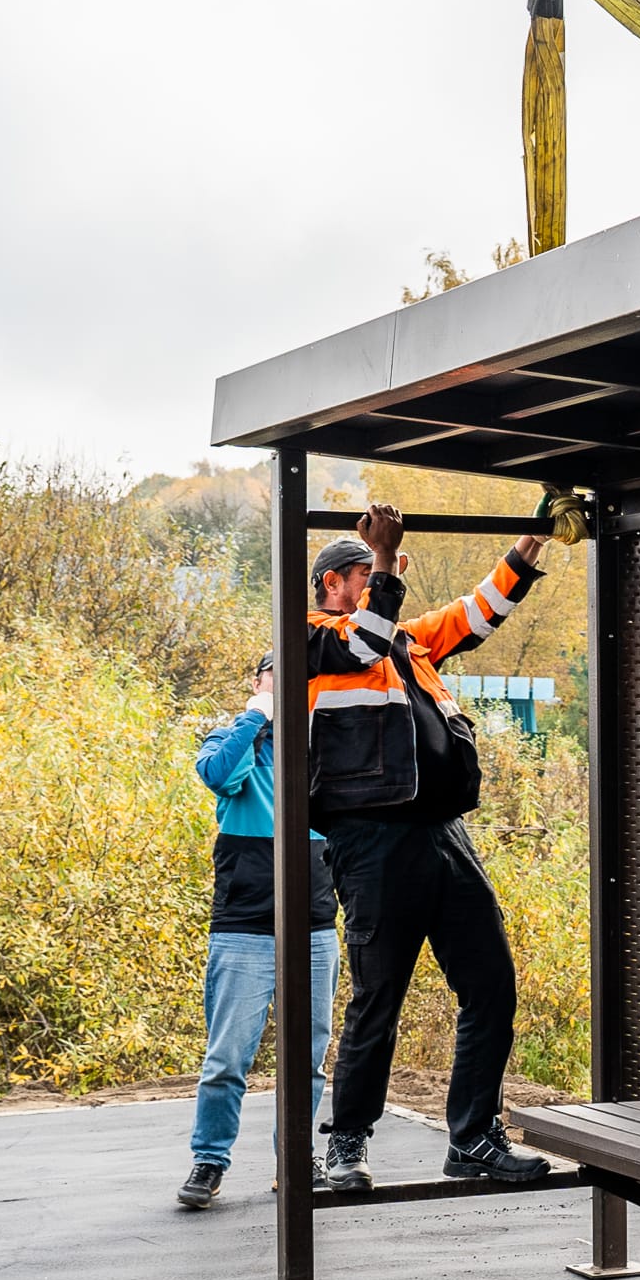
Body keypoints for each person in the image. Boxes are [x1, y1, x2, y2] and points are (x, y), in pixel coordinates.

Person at [306, 504, 554, 1192]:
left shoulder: (407, 642)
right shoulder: (310, 640)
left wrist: (531, 539)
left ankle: (473, 1138)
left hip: (444, 832)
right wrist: (385, 558)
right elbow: (363, 642)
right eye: (365, 573)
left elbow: (478, 611)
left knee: (491, 985)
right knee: (378, 997)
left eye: (379, 571)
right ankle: (347, 1143)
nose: (379, 580)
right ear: (332, 583)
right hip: (371, 840)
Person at [178, 651, 340, 1209]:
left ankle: (294, 1159)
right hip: (245, 925)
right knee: (226, 1059)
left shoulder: (322, 750)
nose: (290, 680)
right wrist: (257, 717)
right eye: (278, 672)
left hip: (314, 926)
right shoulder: (231, 739)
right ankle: (209, 1161)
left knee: (309, 1060)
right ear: (257, 681)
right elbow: (220, 776)